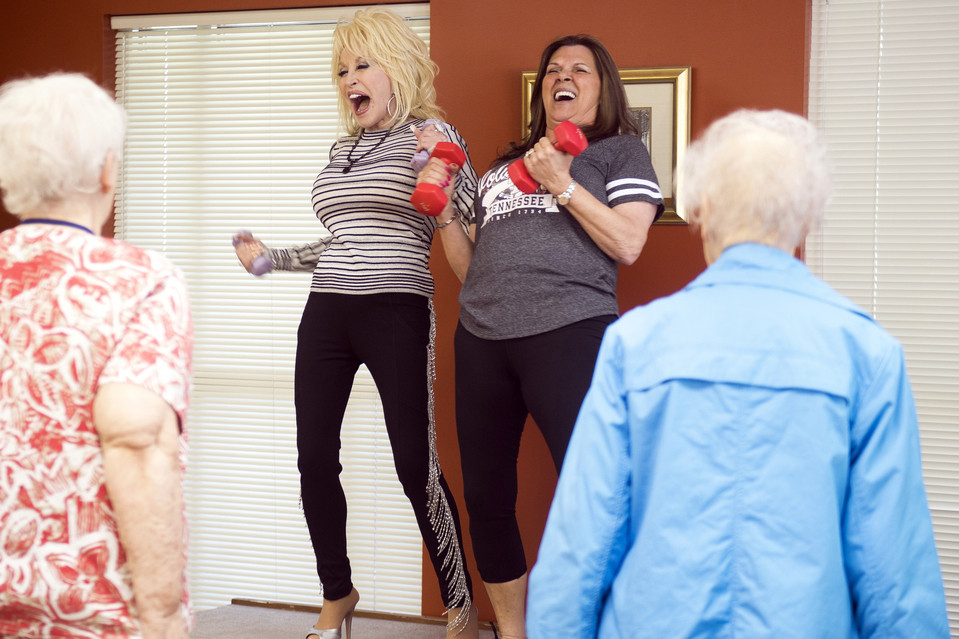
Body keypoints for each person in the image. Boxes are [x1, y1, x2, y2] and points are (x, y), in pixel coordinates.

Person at [525, 109, 951, 638]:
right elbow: (895, 573)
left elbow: (581, 543)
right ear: (809, 214)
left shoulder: (635, 344)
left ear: (700, 209)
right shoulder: (867, 352)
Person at [232, 8, 479, 639]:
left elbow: (470, 227)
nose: (349, 80)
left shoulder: (433, 134)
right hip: (327, 312)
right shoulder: (343, 149)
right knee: (314, 458)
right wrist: (273, 259)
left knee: (414, 465)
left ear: (399, 68)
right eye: (342, 71)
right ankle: (337, 593)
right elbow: (344, 240)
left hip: (396, 309)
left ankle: (460, 603)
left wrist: (439, 170)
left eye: (362, 65)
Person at [417, 34, 663, 638]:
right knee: (486, 499)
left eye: (580, 69)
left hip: (570, 331)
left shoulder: (620, 151)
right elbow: (473, 270)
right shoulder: (504, 168)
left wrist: (562, 182)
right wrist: (445, 213)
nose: (563, 76)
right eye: (554, 69)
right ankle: (513, 631)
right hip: (482, 338)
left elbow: (629, 243)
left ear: (602, 87)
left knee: (595, 491)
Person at [0, 74, 193, 638]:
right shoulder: (141, 281)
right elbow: (137, 442)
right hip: (90, 613)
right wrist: (162, 616)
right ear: (109, 169)